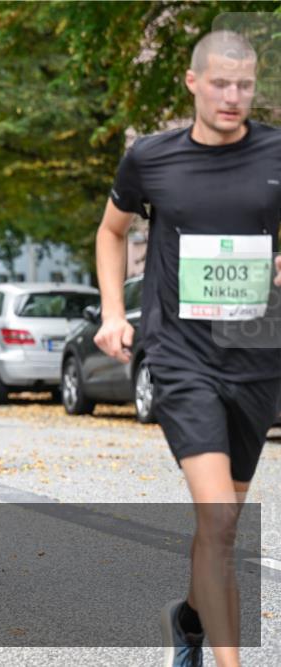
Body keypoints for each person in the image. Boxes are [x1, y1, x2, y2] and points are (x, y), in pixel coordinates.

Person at [94, 31, 281, 667]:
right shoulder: (151, 158)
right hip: (180, 354)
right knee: (221, 519)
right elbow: (112, 231)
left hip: (256, 354)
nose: (233, 96)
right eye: (221, 83)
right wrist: (113, 313)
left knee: (220, 524)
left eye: (245, 85)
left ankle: (189, 620)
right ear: (193, 82)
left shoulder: (276, 152)